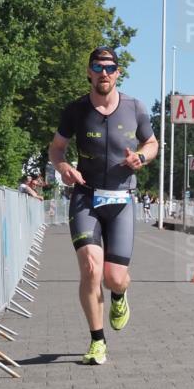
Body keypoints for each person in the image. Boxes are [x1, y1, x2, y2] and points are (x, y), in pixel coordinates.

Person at [48, 46, 158, 365]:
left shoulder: (135, 108)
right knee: (90, 269)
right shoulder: (76, 110)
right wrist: (64, 167)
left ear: (118, 73)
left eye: (110, 68)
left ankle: (120, 297)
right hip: (85, 197)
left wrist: (141, 157)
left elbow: (152, 143)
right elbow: (56, 149)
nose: (104, 73)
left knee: (114, 278)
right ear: (89, 72)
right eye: (98, 67)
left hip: (121, 200)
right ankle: (97, 341)